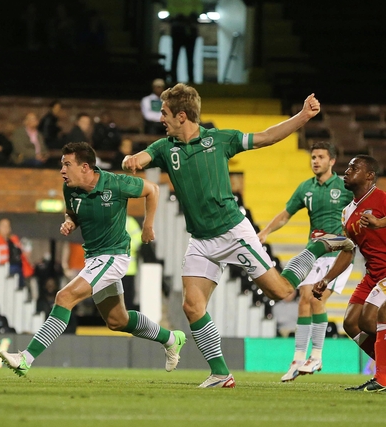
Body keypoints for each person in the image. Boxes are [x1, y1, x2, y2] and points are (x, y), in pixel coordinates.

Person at [122, 83, 350, 388]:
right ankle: (221, 373)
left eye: (164, 113)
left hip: (233, 232)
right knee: (192, 306)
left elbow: (267, 136)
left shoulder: (220, 139)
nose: (159, 119)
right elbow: (144, 157)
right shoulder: (165, 147)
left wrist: (302, 117)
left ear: (181, 115)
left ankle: (316, 247)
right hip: (201, 241)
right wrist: (133, 160)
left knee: (281, 292)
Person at [0, 142, 186, 377]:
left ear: (85, 167)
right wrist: (70, 221)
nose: (62, 170)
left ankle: (25, 358)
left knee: (64, 296)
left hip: (114, 256)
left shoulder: (116, 183)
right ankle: (171, 339)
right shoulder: (70, 189)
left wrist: (148, 226)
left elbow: (153, 190)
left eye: (67, 164)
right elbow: (72, 212)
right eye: (62, 165)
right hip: (95, 259)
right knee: (118, 320)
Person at [257, 142, 354, 382]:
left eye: (321, 157)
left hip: (338, 253)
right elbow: (286, 214)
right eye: (313, 157)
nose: (315, 161)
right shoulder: (305, 188)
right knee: (303, 302)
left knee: (315, 298)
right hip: (314, 253)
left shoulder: (344, 186)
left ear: (332, 161)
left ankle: (318, 355)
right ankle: (298, 359)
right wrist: (266, 232)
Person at [312, 155, 386, 391]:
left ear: (369, 176)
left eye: (354, 167)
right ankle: (384, 371)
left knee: (370, 318)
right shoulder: (346, 213)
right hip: (373, 273)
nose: (347, 170)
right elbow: (348, 251)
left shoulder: (381, 198)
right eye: (348, 167)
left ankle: (383, 378)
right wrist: (326, 278)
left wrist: (380, 223)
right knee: (351, 323)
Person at [166, 0, 203, 83]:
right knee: (175, 55)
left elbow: (198, 7)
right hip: (178, 27)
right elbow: (170, 8)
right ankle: (173, 80)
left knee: (190, 56)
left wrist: (192, 16)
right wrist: (179, 16)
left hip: (190, 28)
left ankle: (191, 80)